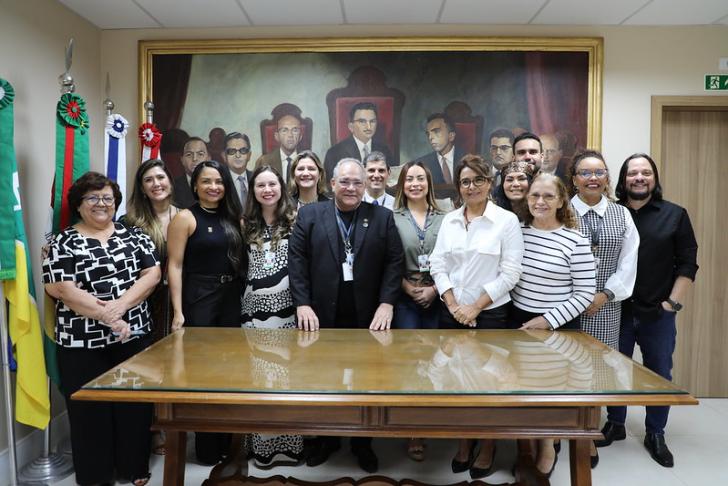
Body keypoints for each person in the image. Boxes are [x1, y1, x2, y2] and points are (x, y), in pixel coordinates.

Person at [42, 172, 161, 486]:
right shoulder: (62, 240)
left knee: (134, 408)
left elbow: (152, 275)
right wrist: (109, 316)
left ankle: (134, 468)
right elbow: (61, 288)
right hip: (82, 344)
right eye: (92, 198)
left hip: (132, 336)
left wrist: (120, 307)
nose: (101, 204)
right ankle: (96, 475)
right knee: (89, 411)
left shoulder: (133, 235)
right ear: (79, 205)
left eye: (107, 198)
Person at [288, 158, 404, 473]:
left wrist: (387, 303)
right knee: (322, 380)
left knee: (366, 381)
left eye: (357, 182)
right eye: (345, 182)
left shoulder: (381, 217)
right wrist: (302, 303)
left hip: (368, 315)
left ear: (364, 185)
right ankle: (326, 439)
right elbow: (296, 260)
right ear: (333, 184)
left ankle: (362, 443)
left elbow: (395, 262)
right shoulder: (311, 214)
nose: (351, 188)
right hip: (320, 312)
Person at [598, 153, 698, 468]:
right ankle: (615, 423)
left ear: (654, 178)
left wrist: (672, 304)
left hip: (658, 312)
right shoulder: (611, 214)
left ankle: (656, 432)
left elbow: (687, 263)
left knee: (658, 374)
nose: (639, 178)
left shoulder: (675, 215)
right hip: (617, 311)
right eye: (632, 173)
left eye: (645, 172)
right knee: (613, 370)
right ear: (623, 179)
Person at [429, 154, 523, 479]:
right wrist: (454, 304)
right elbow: (438, 265)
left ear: (489, 183)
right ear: (459, 187)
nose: (472, 187)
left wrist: (475, 307)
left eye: (478, 180)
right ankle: (464, 442)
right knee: (456, 382)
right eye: (465, 181)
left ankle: (487, 445)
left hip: (491, 316)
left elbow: (510, 274)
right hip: (452, 313)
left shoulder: (505, 222)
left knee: (488, 384)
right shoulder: (450, 220)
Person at [510, 172, 596, 477]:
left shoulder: (574, 240)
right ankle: (524, 446)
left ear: (561, 200)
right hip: (518, 321)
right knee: (522, 388)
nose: (540, 201)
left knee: (549, 391)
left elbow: (586, 292)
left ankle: (548, 445)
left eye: (548, 196)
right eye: (534, 195)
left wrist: (546, 321)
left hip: (556, 326)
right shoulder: (517, 231)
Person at [167, 159, 244, 465]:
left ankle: (228, 440)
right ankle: (207, 447)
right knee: (202, 374)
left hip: (230, 299)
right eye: (207, 182)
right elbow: (174, 265)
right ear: (195, 185)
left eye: (219, 182)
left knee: (229, 373)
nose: (214, 187)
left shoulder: (232, 217)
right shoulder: (185, 218)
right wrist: (178, 311)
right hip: (199, 298)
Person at [569, 150, 639, 467]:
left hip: (605, 307)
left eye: (599, 172)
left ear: (607, 177)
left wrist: (605, 294)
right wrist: (575, 298)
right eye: (585, 172)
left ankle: (589, 435)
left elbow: (628, 262)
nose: (592, 178)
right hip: (566, 306)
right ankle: (558, 432)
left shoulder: (622, 214)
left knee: (596, 371)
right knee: (563, 369)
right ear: (574, 179)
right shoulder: (562, 210)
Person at [240, 165, 303, 468]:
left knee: (287, 377)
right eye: (261, 185)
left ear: (281, 187)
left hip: (288, 310)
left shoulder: (296, 219)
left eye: (272, 184)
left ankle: (290, 447)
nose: (267, 190)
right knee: (260, 378)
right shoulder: (245, 223)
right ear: (253, 190)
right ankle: (261, 448)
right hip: (255, 313)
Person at [123, 158, 180, 455]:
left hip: (181, 302)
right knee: (152, 366)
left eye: (161, 177)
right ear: (142, 189)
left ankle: (177, 425)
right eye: (149, 180)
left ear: (171, 182)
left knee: (178, 365)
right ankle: (156, 429)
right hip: (146, 303)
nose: (157, 184)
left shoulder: (185, 216)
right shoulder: (131, 223)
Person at [323, 102, 394, 181]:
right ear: (351, 127)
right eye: (362, 122)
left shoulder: (385, 150)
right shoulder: (334, 153)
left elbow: (391, 180)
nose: (368, 126)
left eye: (372, 121)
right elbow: (330, 186)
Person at [414, 113, 465, 184]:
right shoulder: (421, 164)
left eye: (436, 131)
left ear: (451, 136)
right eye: (428, 134)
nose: (430, 138)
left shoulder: (468, 160)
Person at [256, 114, 303, 184]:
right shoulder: (264, 161)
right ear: (277, 136)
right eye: (284, 130)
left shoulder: (308, 160)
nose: (290, 135)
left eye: (295, 130)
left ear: (300, 136)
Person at [173, 137, 210, 208]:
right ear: (182, 160)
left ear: (208, 158)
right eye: (189, 154)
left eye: (200, 154)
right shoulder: (173, 186)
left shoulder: (219, 185)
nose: (195, 158)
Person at [222, 131, 253, 211]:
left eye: (243, 150)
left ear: (249, 155)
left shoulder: (256, 178)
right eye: (231, 151)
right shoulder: (219, 181)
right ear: (224, 156)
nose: (238, 155)